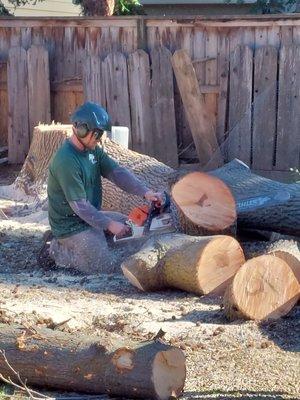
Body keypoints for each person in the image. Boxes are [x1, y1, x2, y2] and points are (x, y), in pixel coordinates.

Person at [48, 101, 162, 274]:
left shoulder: (93, 150)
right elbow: (80, 206)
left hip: (91, 216)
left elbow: (117, 173)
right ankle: (60, 250)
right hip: (72, 225)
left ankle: (98, 241)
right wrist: (109, 224)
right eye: (97, 133)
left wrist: (145, 192)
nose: (100, 138)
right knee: (107, 267)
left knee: (132, 228)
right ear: (82, 129)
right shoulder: (66, 161)